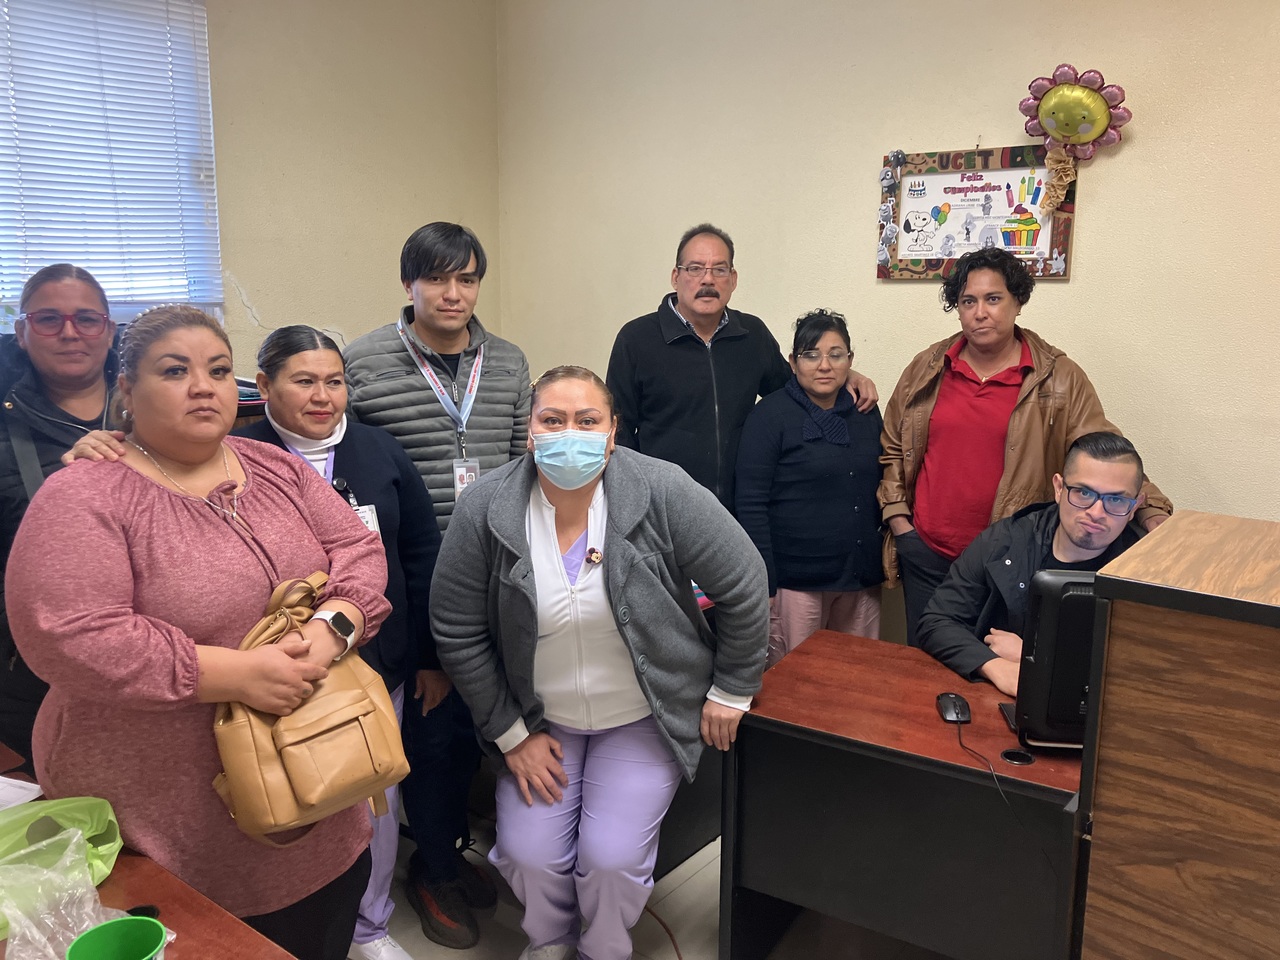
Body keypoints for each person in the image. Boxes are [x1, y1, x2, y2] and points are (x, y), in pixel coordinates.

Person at [5, 306, 391, 960]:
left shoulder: (275, 467)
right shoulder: (86, 494)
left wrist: (333, 628)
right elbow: (68, 634)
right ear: (127, 390)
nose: (203, 387)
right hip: (168, 820)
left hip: (320, 790)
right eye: (174, 371)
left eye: (217, 370)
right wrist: (236, 675)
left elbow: (357, 548)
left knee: (321, 930)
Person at [431, 365, 769, 960]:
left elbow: (743, 582)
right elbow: (456, 629)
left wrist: (732, 688)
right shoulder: (486, 507)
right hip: (540, 721)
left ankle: (603, 948)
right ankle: (550, 941)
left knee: (610, 860)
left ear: (613, 432)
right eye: (552, 420)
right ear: (529, 431)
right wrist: (511, 735)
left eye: (587, 421)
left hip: (641, 716)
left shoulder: (661, 489)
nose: (570, 434)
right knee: (530, 855)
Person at [344, 221, 519, 948]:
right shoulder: (361, 363)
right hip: (411, 584)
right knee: (430, 733)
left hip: (495, 579)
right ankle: (433, 868)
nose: (453, 293)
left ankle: (447, 850)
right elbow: (337, 461)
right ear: (409, 283)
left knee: (483, 728)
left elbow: (523, 464)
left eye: (467, 278)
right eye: (437, 278)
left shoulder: (507, 361)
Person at [879, 246, 1172, 646]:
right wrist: (901, 524)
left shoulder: (1058, 377)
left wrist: (1150, 510)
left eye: (993, 298)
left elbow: (1103, 453)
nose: (980, 312)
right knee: (927, 663)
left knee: (1004, 665)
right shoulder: (927, 367)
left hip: (1008, 560)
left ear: (1017, 302)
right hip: (928, 554)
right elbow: (893, 448)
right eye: (968, 301)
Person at [606, 223, 877, 511]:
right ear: (676, 276)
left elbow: (794, 389)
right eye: (695, 268)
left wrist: (845, 373)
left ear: (733, 279)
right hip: (662, 507)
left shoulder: (751, 335)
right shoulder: (636, 339)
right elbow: (617, 429)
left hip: (737, 508)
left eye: (719, 269)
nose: (707, 279)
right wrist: (634, 500)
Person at [918, 432, 1148, 696]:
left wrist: (1034, 655)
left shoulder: (1146, 570)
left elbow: (1146, 672)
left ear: (1135, 506)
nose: (1096, 513)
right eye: (1083, 493)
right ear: (1059, 488)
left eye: (1116, 500)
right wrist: (994, 667)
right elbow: (936, 621)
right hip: (996, 698)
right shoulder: (1005, 541)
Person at [0, 264, 119, 772]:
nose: (70, 333)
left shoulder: (157, 411)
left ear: (109, 331)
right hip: (33, 674)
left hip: (163, 656)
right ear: (21, 332)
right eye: (48, 319)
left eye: (86, 319)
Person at [735, 309, 884, 662]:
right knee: (797, 679)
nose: (824, 365)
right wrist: (764, 582)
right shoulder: (769, 416)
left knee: (858, 675)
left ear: (850, 360)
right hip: (796, 582)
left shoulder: (864, 411)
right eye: (811, 355)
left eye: (836, 354)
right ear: (793, 362)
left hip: (859, 578)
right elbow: (751, 503)